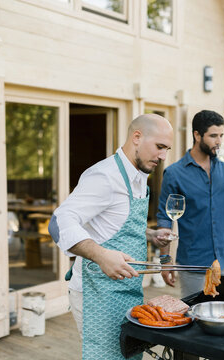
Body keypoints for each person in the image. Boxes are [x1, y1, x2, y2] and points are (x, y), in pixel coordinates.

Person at [48, 114, 174, 359]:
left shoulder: (139, 176)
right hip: (98, 295)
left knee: (128, 354)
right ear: (137, 137)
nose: (163, 156)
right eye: (160, 147)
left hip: (127, 290)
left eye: (167, 149)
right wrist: (102, 256)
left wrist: (150, 235)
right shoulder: (104, 176)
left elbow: (111, 224)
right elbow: (59, 222)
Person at [156, 110, 224, 298]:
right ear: (197, 135)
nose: (218, 141)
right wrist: (165, 260)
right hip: (193, 264)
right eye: (213, 136)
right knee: (196, 316)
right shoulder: (174, 173)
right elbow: (165, 218)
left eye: (221, 135)